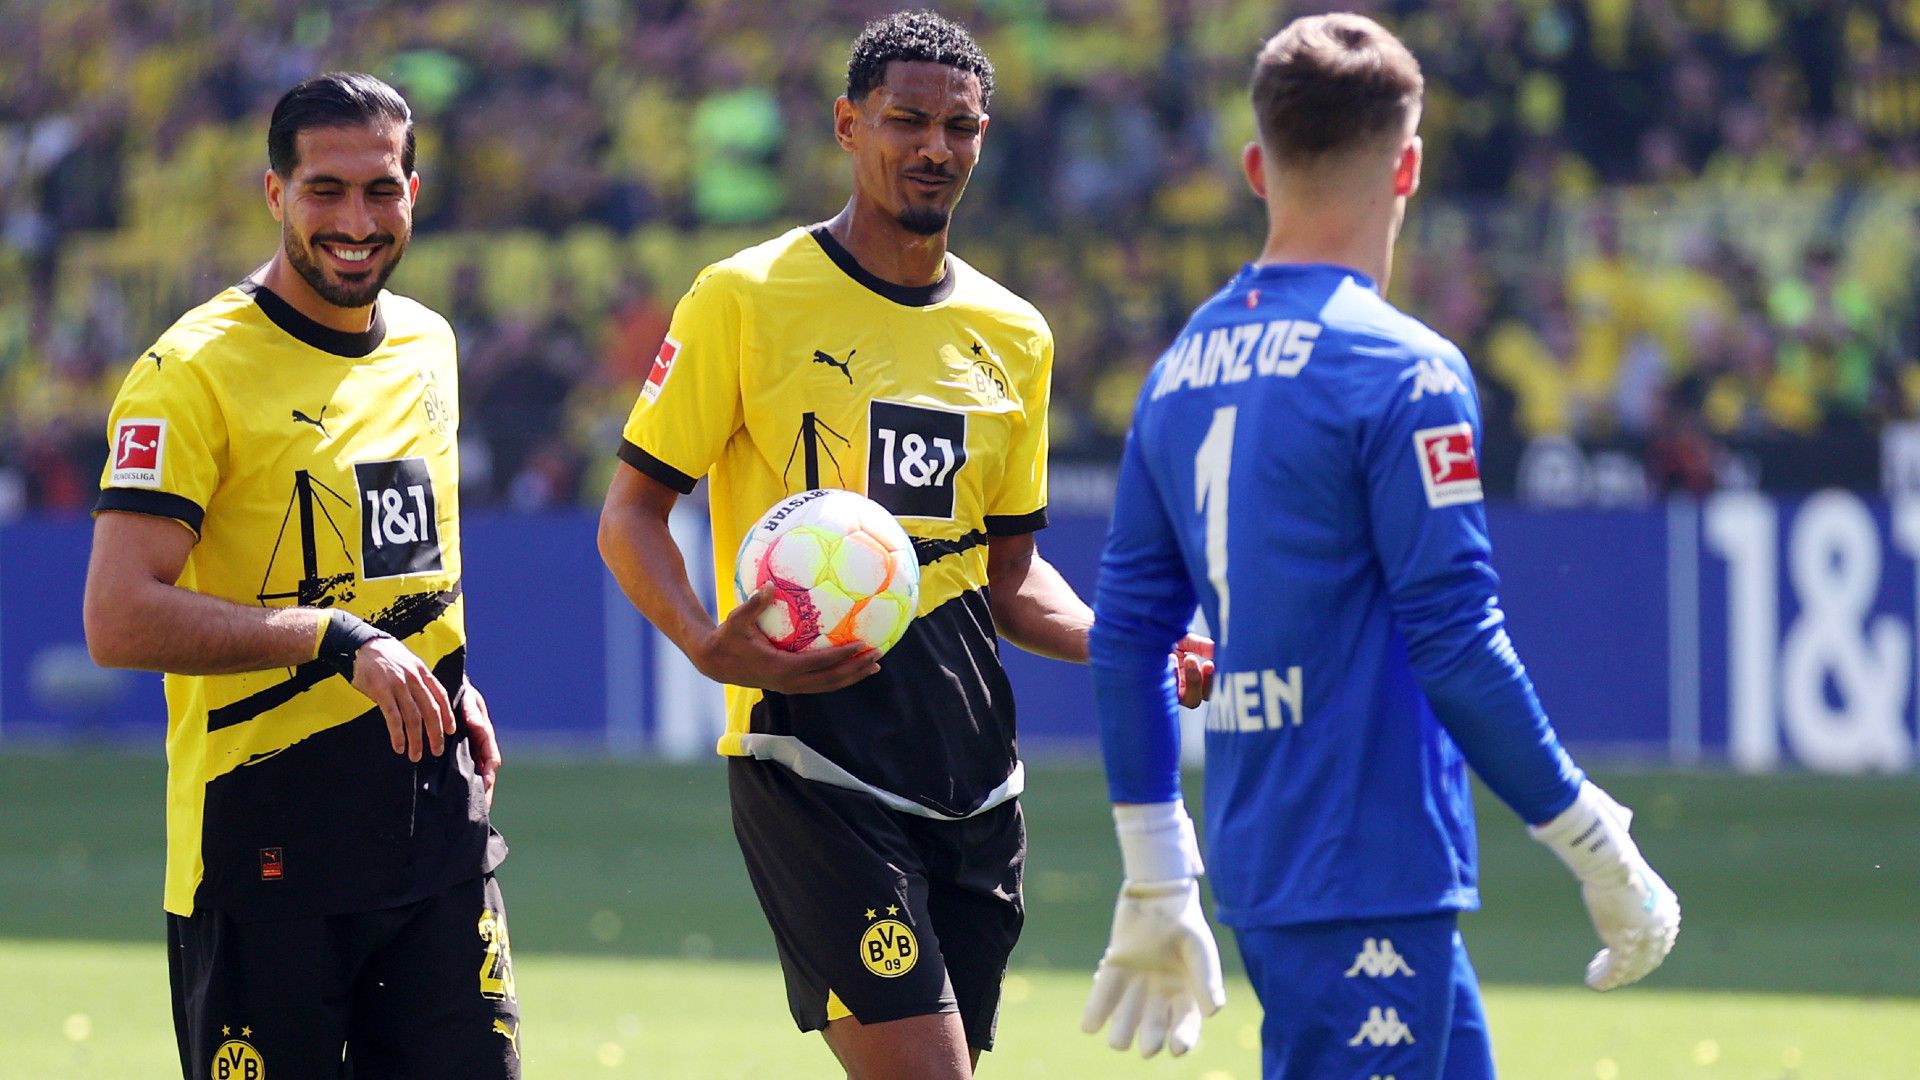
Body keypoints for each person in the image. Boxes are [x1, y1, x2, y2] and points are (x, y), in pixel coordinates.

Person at [596, 12, 1206, 1079]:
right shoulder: (746, 298)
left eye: (960, 127)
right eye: (907, 120)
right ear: (848, 125)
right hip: (812, 758)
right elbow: (631, 512)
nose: (935, 147)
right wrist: (702, 640)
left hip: (976, 778)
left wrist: (1128, 644)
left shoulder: (1015, 335)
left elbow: (1008, 581)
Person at [1079, 14, 1681, 1078]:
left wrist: (1158, 872)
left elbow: (1128, 636)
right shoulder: (1405, 371)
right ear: (1408, 163)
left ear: (1257, 167)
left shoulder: (1177, 370)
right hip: (1367, 865)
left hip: (1276, 860)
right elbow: (1456, 638)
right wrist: (1594, 841)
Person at [82, 73, 518, 1080]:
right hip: (264, 849)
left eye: (381, 189)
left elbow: (403, 560)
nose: (356, 222)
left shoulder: (428, 346)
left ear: (416, 189)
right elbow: (119, 616)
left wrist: (445, 674)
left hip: (433, 833)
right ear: (273, 193)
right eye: (325, 191)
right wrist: (336, 643)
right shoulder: (190, 373)